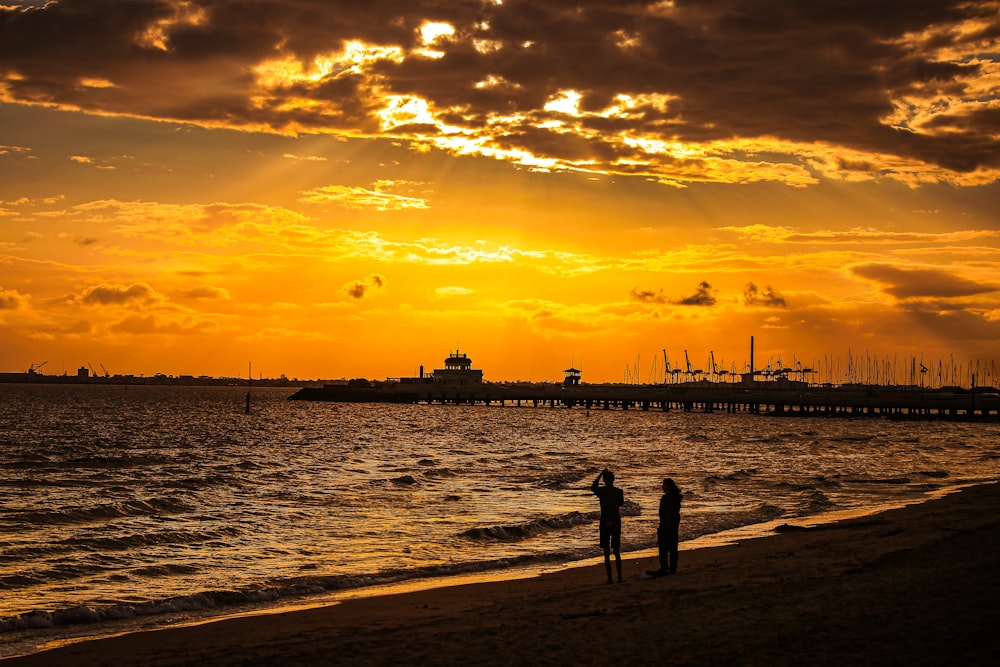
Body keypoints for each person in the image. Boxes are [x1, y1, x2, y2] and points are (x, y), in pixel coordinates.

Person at [591, 468, 625, 583]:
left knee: (606, 552)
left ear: (604, 480)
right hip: (616, 522)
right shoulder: (619, 492)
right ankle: (620, 577)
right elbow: (620, 503)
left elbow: (593, 487)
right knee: (616, 551)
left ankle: (610, 578)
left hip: (605, 522)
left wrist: (600, 474)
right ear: (613, 480)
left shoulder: (602, 491)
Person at [648, 477, 682, 577]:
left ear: (668, 486)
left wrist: (661, 527)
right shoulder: (677, 497)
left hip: (666, 525)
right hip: (674, 525)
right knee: (673, 548)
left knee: (663, 548)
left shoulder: (666, 498)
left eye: (664, 485)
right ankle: (673, 567)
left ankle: (664, 567)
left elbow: (663, 514)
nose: (662, 487)